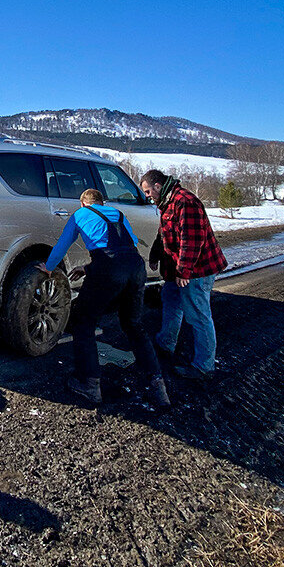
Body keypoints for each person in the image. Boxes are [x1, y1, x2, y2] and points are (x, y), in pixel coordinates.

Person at [38, 189, 168, 407]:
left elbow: (63, 244)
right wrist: (90, 268)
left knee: (83, 322)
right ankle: (158, 385)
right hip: (136, 268)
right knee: (134, 324)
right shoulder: (116, 213)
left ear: (83, 203)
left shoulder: (80, 214)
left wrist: (49, 267)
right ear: (102, 202)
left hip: (108, 267)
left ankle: (88, 384)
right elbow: (127, 245)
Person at [139, 169, 228, 381]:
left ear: (158, 186)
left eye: (148, 191)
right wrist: (154, 254)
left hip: (196, 271)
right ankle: (165, 344)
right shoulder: (167, 203)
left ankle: (204, 366)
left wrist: (183, 271)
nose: (147, 196)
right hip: (177, 269)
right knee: (171, 302)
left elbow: (192, 241)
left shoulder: (186, 202)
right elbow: (164, 235)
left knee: (198, 314)